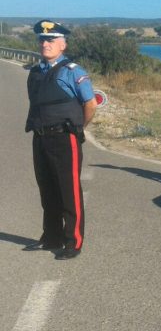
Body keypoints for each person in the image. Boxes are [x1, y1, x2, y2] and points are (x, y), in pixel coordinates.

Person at [23, 20, 97, 260]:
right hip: (41, 138)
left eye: (51, 40)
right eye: (42, 40)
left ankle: (72, 241)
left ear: (63, 44)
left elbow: (90, 104)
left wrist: (78, 128)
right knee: (47, 190)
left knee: (69, 191)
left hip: (65, 138)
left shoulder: (73, 71)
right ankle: (51, 236)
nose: (45, 44)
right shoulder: (36, 72)